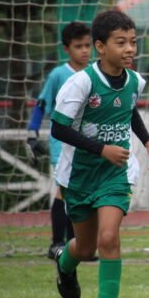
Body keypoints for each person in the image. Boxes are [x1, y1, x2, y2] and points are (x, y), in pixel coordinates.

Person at [50, 10, 149, 298]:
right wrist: (101, 149)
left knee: (109, 238)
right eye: (121, 43)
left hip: (116, 174)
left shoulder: (134, 81)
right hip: (80, 175)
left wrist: (148, 145)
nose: (130, 49)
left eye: (133, 42)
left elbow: (129, 111)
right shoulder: (81, 82)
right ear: (100, 46)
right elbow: (58, 127)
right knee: (84, 248)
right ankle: (64, 264)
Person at [25, 22, 92, 259]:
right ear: (67, 49)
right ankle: (57, 244)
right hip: (61, 141)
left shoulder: (94, 73)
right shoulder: (58, 75)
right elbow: (42, 104)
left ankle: (78, 247)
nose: (84, 51)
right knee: (64, 190)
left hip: (86, 142)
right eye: (78, 46)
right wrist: (32, 133)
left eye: (87, 45)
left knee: (80, 193)